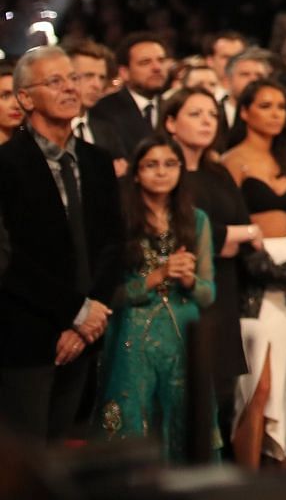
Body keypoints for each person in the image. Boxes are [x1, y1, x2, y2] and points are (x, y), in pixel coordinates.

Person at [0, 46, 123, 440]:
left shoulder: (96, 161)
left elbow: (112, 242)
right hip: (26, 338)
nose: (70, 88)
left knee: (65, 463)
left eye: (74, 79)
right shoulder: (6, 164)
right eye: (55, 82)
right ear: (25, 98)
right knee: (25, 465)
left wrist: (89, 319)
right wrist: (74, 311)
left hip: (87, 334)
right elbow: (8, 258)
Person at [96, 135, 217, 460]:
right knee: (133, 423)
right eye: (151, 165)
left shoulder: (196, 220)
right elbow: (110, 294)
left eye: (170, 164)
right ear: (136, 173)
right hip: (132, 339)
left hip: (182, 335)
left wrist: (189, 279)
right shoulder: (118, 221)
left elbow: (208, 295)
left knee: (184, 423)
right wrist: (157, 276)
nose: (161, 172)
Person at [223, 78, 286, 463]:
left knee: (284, 384)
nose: (276, 114)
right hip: (254, 278)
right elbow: (232, 223)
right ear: (245, 112)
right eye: (265, 106)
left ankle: (274, 475)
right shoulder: (231, 161)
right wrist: (271, 272)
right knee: (256, 389)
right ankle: (245, 483)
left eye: (281, 106)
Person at [162, 87, 255, 434]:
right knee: (185, 402)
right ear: (170, 122)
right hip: (182, 294)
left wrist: (232, 236)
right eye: (195, 114)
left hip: (223, 291)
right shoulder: (165, 171)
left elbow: (246, 230)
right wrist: (228, 236)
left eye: (212, 115)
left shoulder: (218, 172)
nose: (206, 122)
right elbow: (181, 232)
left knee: (223, 398)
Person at [92, 31, 172, 160]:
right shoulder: (104, 110)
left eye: (161, 60)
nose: (157, 67)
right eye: (145, 62)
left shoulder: (175, 108)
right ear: (124, 73)